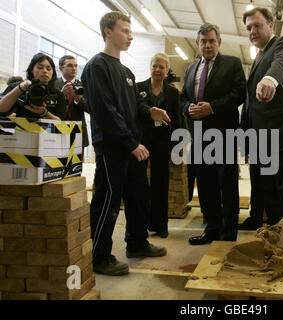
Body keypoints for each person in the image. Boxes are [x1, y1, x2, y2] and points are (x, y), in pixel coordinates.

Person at [81, 11, 170, 276]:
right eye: (124, 30)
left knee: (137, 196)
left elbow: (135, 104)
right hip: (112, 147)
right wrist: (131, 143)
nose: (130, 36)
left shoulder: (126, 71)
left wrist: (149, 112)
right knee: (108, 200)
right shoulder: (97, 66)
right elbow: (106, 112)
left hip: (131, 146)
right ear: (108, 31)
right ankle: (99, 256)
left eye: (131, 32)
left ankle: (137, 243)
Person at [241, 7, 283, 243]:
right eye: (248, 27)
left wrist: (270, 79)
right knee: (271, 196)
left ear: (271, 25)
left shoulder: (282, 44)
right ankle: (276, 242)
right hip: (262, 140)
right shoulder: (258, 56)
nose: (252, 31)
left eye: (257, 25)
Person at [181, 23, 246, 245]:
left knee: (226, 183)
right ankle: (212, 228)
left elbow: (239, 94)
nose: (207, 45)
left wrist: (212, 107)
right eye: (203, 41)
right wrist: (187, 107)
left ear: (219, 42)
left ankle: (228, 233)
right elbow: (183, 98)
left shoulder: (232, 64)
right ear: (198, 43)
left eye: (211, 40)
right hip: (198, 134)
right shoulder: (191, 69)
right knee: (205, 183)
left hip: (224, 134)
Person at [137, 52, 181, 239]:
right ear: (150, 67)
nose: (157, 70)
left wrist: (175, 146)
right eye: (154, 66)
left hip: (163, 144)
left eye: (161, 67)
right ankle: (142, 224)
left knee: (160, 185)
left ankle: (160, 225)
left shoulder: (172, 93)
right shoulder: (138, 89)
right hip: (142, 143)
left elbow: (177, 120)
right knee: (139, 185)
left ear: (167, 70)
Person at [0, 53, 66, 120]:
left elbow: (60, 122)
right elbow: (1, 108)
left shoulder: (58, 94)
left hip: (45, 130)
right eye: (40, 67)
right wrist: (20, 88)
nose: (44, 71)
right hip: (16, 129)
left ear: (53, 72)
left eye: (48, 69)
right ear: (32, 69)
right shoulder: (17, 87)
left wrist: (44, 113)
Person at [56, 55, 89, 152]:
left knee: (77, 166)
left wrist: (78, 99)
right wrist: (61, 95)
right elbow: (50, 107)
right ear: (61, 68)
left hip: (78, 131)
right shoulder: (53, 84)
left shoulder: (83, 86)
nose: (74, 68)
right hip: (58, 130)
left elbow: (89, 108)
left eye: (75, 66)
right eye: (70, 65)